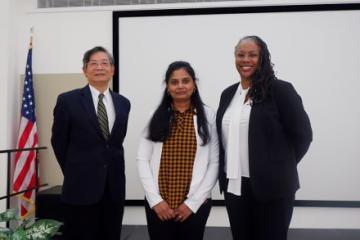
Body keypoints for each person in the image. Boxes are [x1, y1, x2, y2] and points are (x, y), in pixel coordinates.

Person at [216, 36, 312, 240]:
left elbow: (303, 135)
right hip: (235, 188)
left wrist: (279, 165)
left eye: (252, 54)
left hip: (273, 189)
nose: (245, 59)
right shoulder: (228, 94)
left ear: (262, 58)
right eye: (240, 54)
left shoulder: (280, 90)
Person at [51, 46, 130, 240]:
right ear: (85, 71)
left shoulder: (123, 103)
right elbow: (58, 142)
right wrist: (75, 170)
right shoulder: (68, 100)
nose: (99, 67)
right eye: (93, 64)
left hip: (113, 189)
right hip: (80, 189)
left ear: (112, 70)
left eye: (104, 63)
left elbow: (114, 144)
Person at [137, 61, 219, 240]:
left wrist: (193, 203)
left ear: (194, 84)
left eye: (185, 81)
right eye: (174, 82)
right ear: (167, 87)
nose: (180, 86)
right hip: (159, 206)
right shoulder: (155, 115)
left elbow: (215, 162)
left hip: (195, 205)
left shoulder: (208, 116)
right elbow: (142, 159)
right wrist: (156, 201)